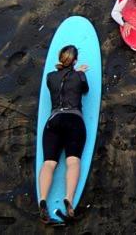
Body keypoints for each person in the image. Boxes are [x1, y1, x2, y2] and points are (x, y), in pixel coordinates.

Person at [38, 45, 89, 223]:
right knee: (73, 161)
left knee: (49, 163)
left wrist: (73, 71)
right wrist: (80, 72)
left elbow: (59, 84)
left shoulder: (50, 77)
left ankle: (43, 200)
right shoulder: (78, 75)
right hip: (74, 120)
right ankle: (68, 198)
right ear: (74, 61)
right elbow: (85, 90)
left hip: (54, 120)